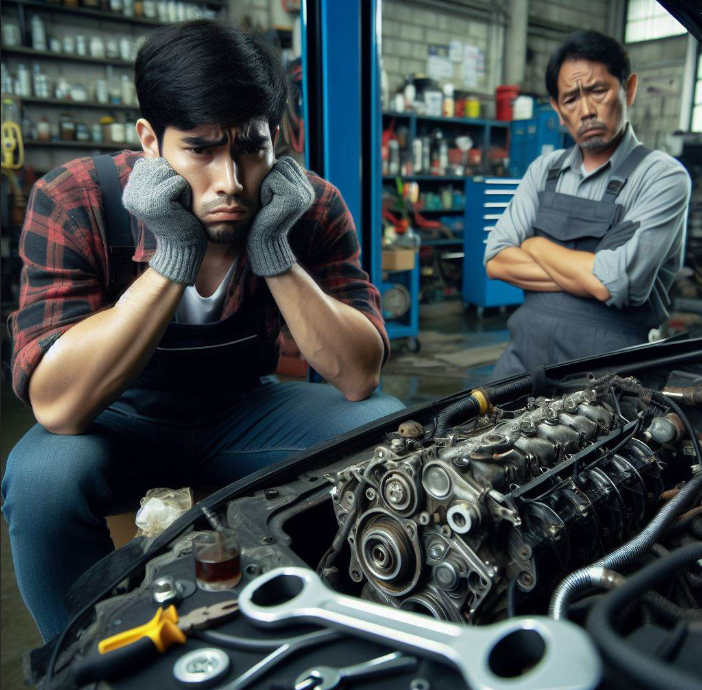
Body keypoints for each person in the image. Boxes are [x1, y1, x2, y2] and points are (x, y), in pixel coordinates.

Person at [2, 20, 403, 641]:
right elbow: (57, 405)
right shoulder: (77, 199)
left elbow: (358, 376)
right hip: (117, 424)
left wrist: (275, 250)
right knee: (40, 478)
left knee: (379, 430)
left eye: (250, 147)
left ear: (278, 139)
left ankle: (319, 627)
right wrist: (172, 255)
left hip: (247, 410)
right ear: (149, 140)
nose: (231, 182)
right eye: (200, 149)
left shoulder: (307, 206)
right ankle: (79, 664)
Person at [485, 30, 691, 380]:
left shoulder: (663, 176)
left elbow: (612, 284)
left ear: (628, 88)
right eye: (570, 99)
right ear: (557, 109)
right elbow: (496, 260)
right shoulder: (543, 170)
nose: (586, 110)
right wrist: (586, 271)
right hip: (522, 365)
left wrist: (535, 245)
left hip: (611, 376)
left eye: (598, 91)